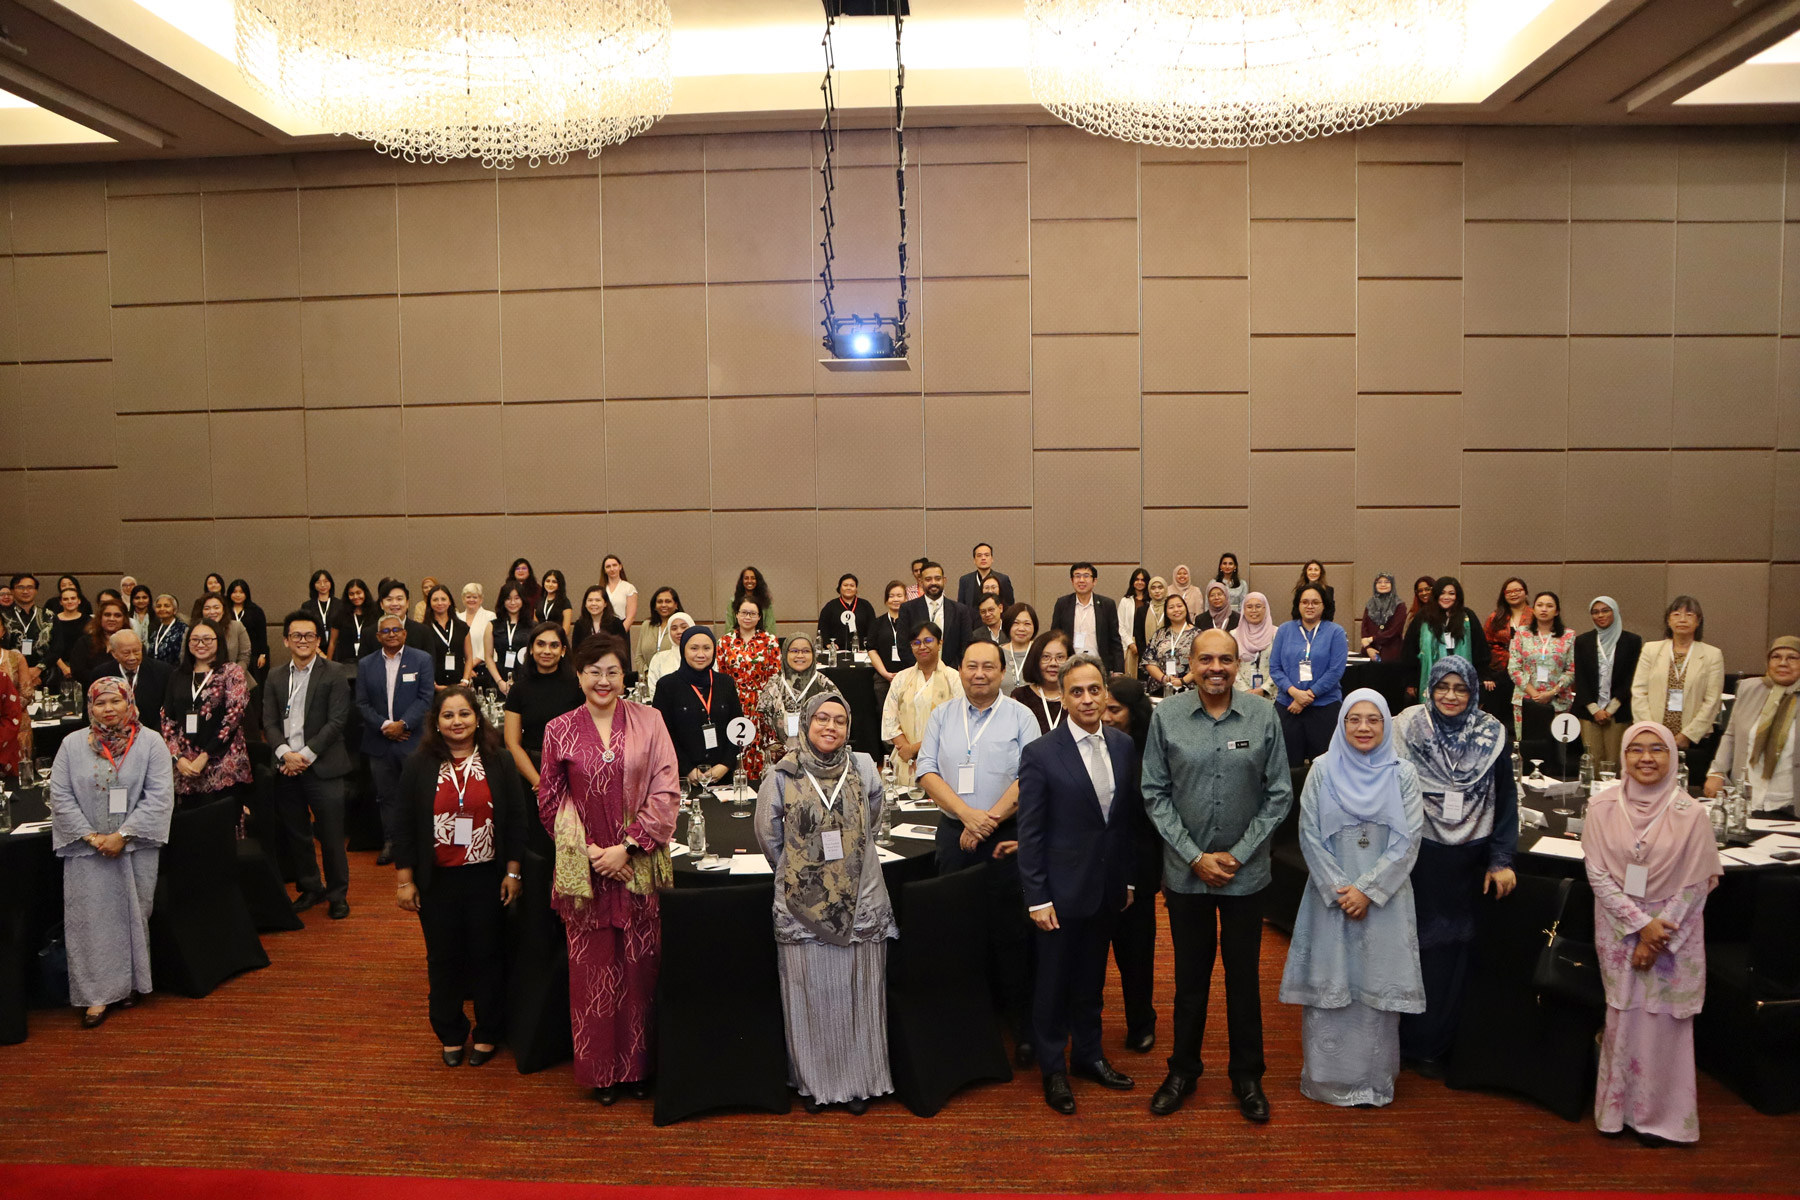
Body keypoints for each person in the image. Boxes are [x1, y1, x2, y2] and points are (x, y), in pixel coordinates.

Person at [1141, 629, 1292, 1122]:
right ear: (1191, 662)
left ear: (1238, 662)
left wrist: (1239, 853)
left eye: (1225, 659)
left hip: (1246, 879)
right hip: (1186, 878)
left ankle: (1247, 1076)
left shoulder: (1263, 715)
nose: (1215, 668)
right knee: (1189, 979)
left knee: (1245, 980)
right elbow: (1154, 794)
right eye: (1205, 659)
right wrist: (1194, 856)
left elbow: (1279, 795)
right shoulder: (1166, 716)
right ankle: (1183, 1069)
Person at [537, 632, 680, 1103]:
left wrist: (629, 847)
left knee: (641, 969)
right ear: (578, 675)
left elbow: (666, 791)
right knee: (593, 970)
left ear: (625, 675)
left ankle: (640, 1069)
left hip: (638, 869)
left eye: (612, 671)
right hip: (587, 874)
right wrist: (597, 854)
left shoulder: (651, 720)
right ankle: (601, 1072)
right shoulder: (558, 729)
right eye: (593, 671)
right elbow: (550, 800)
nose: (603, 680)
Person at [1279, 691, 1425, 1108]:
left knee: (1375, 989)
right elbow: (1307, 834)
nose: (1363, 728)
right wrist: (1343, 890)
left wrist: (1369, 891)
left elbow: (1409, 839)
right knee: (1332, 985)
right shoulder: (1322, 771)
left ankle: (1374, 1083)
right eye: (1354, 719)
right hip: (1331, 901)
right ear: (1341, 724)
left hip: (1385, 902)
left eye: (1374, 720)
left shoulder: (1404, 775)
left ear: (1385, 726)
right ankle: (1325, 1081)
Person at [755, 693, 896, 1114]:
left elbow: (874, 812)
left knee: (860, 990)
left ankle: (859, 1084)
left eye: (839, 719)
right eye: (821, 718)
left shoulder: (865, 766)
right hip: (803, 905)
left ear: (849, 727)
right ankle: (814, 1084)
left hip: (862, 899)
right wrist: (804, 873)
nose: (830, 726)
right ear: (807, 723)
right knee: (809, 993)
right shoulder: (781, 772)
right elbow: (767, 834)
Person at [1584, 721, 1720, 1146]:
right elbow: (1597, 875)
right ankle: (1617, 1114)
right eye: (1636, 749)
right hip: (1619, 929)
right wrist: (1641, 927)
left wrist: (1656, 937)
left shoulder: (1691, 813)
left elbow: (1697, 883)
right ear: (1622, 756)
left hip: (1674, 935)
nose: (1646, 758)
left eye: (1657, 749)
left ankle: (1661, 1118)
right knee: (1623, 1016)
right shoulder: (1602, 807)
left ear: (1673, 757)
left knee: (1664, 1023)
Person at [1018, 652, 1142, 1114]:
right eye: (1077, 691)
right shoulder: (1040, 753)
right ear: (1064, 697)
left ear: (1105, 694)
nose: (1088, 699)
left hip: (1107, 888)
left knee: (1092, 981)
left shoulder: (1123, 745)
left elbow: (1122, 823)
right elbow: (1030, 833)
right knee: (1053, 985)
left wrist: (1127, 879)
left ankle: (1089, 1056)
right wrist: (1037, 898)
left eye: (1095, 690)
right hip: (1059, 893)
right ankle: (1053, 1068)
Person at [915, 638, 1040, 1061]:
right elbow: (926, 770)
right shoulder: (941, 716)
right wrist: (967, 815)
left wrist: (986, 820)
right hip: (955, 833)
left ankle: (1021, 1023)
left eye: (989, 666)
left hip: (1006, 836)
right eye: (972, 666)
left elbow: (1031, 776)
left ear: (1003, 672)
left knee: (1011, 931)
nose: (980, 673)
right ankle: (966, 1022)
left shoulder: (1022, 716)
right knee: (958, 927)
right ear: (960, 670)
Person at [1392, 656, 1518, 1074]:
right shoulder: (1408, 727)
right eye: (1442, 687)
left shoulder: (1491, 734)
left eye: (1460, 688)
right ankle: (1405, 1040)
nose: (1450, 696)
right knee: (1414, 947)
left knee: (1453, 953)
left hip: (1470, 856)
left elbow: (1505, 803)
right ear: (1429, 688)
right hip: (1419, 853)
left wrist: (1501, 859)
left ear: (1473, 692)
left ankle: (1436, 1044)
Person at [393, 685, 528, 1067]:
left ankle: (488, 1031)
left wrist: (514, 871)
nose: (457, 722)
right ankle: (450, 1031)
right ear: (436, 722)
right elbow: (402, 825)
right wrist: (405, 881)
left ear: (477, 718)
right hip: (437, 879)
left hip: (487, 875)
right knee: (444, 958)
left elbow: (516, 820)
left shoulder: (499, 760)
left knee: (488, 955)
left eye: (464, 714)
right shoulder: (418, 765)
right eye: (448, 715)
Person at [48, 677, 175, 1028]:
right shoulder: (73, 744)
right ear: (91, 707)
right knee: (91, 923)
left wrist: (122, 835)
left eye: (115, 702)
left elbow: (160, 797)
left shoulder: (151, 743)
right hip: (86, 852)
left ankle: (131, 984)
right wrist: (92, 837)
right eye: (100, 703)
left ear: (128, 702)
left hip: (135, 847)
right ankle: (96, 997)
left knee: (133, 916)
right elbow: (59, 796)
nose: (108, 709)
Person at [263, 611, 354, 920]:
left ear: (319, 640)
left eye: (310, 636)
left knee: (331, 835)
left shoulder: (335, 672)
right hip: (286, 766)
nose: (303, 641)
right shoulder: (275, 676)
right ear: (286, 640)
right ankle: (311, 887)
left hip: (322, 765)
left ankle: (338, 893)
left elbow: (338, 721)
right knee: (297, 833)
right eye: (297, 636)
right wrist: (285, 753)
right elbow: (270, 722)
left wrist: (304, 756)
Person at [355, 614, 437, 865]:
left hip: (412, 740)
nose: (391, 634)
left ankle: (420, 842)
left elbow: (425, 698)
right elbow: (361, 702)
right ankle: (392, 842)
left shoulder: (421, 659)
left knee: (419, 794)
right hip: (379, 742)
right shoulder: (366, 664)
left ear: (404, 633)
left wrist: (403, 724)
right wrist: (385, 726)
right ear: (378, 636)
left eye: (396, 630)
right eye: (385, 631)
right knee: (386, 796)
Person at [160, 617, 253, 811]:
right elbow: (167, 719)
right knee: (190, 826)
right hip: (186, 766)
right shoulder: (178, 675)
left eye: (207, 639)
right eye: (195, 640)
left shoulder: (231, 672)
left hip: (222, 762)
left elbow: (232, 719)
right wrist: (177, 758)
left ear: (218, 641)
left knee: (221, 827)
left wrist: (205, 756)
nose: (200, 644)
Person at [1704, 635, 1800, 816]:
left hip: (1790, 803)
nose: (1783, 663)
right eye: (1776, 657)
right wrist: (1717, 772)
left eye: (1792, 658)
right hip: (1747, 799)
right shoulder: (1749, 688)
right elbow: (1731, 735)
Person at [503, 622, 583, 812]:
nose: (547, 650)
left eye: (554, 645)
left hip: (571, 771)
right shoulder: (518, 689)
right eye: (540, 644)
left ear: (563, 651)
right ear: (531, 649)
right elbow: (511, 743)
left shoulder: (577, 686)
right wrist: (539, 783)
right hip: (531, 772)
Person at [1630, 597, 1725, 756]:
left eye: (1689, 615)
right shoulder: (1651, 650)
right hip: (1652, 736)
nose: (1682, 619)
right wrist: (1653, 731)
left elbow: (1712, 700)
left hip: (1694, 739)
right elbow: (1639, 691)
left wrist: (1687, 735)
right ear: (1668, 620)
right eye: (1676, 614)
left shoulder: (1712, 655)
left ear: (1698, 621)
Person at [652, 625, 742, 790]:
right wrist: (687, 769)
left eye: (707, 648)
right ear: (683, 650)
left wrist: (725, 764)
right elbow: (663, 735)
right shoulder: (667, 686)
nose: (701, 654)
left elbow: (738, 727)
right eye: (694, 648)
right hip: (682, 780)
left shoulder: (725, 683)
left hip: (723, 780)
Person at [1271, 585, 1348, 767]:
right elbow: (1275, 668)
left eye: (1315, 602)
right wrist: (1295, 693)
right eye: (1305, 602)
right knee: (1288, 765)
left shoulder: (1335, 632)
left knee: (1324, 765)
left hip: (1324, 706)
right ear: (1298, 605)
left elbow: (1335, 671)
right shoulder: (1284, 630)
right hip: (1288, 705)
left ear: (1324, 606)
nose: (1310, 606)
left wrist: (1307, 696)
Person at [881, 621, 964, 788]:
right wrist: (906, 749)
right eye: (916, 643)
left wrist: (916, 748)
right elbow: (889, 718)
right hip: (905, 758)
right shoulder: (901, 678)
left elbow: (959, 723)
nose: (922, 647)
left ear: (940, 643)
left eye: (928, 641)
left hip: (942, 757)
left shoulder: (954, 678)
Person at [718, 597, 782, 783]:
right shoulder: (724, 642)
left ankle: (762, 787)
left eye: (752, 613)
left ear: (759, 617)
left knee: (761, 746)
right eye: (744, 613)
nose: (748, 617)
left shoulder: (770, 641)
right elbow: (720, 674)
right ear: (736, 615)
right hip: (732, 701)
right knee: (736, 744)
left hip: (761, 701)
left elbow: (775, 675)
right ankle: (736, 786)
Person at [1574, 596, 1641, 768]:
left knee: (1615, 762)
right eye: (1595, 612)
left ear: (1615, 612)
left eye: (1605, 610)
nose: (1600, 615)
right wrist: (1595, 710)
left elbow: (1632, 678)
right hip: (1589, 711)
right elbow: (1580, 678)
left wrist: (1610, 709)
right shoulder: (1583, 641)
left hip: (1618, 711)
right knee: (1592, 761)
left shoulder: (1632, 641)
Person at [1508, 591, 1576, 762]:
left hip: (1557, 701)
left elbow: (1572, 669)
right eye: (1540, 605)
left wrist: (1552, 692)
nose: (1544, 609)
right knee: (1527, 750)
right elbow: (1514, 667)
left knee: (1555, 753)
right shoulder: (1522, 633)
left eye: (1549, 606)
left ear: (1557, 611)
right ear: (1533, 609)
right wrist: (1534, 693)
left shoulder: (1568, 636)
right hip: (1525, 700)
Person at [1402, 577, 1491, 703]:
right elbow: (1409, 650)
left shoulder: (1468, 616)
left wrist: (1484, 675)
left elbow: (1480, 648)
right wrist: (1410, 681)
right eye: (1442, 593)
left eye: (1451, 593)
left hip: (1461, 675)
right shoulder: (1423, 617)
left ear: (1457, 596)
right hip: (1430, 674)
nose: (1446, 597)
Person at [758, 634, 840, 766]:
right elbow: (763, 727)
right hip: (779, 763)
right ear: (785, 654)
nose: (800, 656)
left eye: (806, 651)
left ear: (813, 654)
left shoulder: (825, 685)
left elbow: (839, 723)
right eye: (794, 651)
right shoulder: (773, 685)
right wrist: (787, 757)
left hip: (820, 761)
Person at [1051, 563, 1123, 675]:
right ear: (1072, 580)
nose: (1081, 580)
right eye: (1077, 576)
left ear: (1094, 581)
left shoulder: (1107, 604)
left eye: (1086, 576)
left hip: (1099, 665)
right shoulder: (1062, 603)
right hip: (1069, 665)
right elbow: (1055, 635)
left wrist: (1118, 670)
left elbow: (1115, 640)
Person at [898, 561, 972, 668]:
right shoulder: (908, 609)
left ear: (944, 580)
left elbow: (966, 645)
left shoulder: (960, 610)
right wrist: (920, 668)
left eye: (937, 578)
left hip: (951, 673)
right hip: (918, 672)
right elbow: (903, 645)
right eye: (928, 579)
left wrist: (951, 671)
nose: (933, 582)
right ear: (921, 582)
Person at [97, 630, 170, 738]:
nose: (132, 657)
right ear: (114, 653)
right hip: (112, 738)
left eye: (136, 652)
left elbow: (168, 710)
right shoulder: (101, 674)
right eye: (126, 653)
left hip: (153, 736)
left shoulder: (162, 671)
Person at [1481, 577, 1532, 726]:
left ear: (1526, 593)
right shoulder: (1495, 616)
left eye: (1518, 590)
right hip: (1500, 671)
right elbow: (1485, 645)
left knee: (1523, 716)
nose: (1513, 594)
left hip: (1527, 672)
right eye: (1509, 591)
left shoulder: (1535, 616)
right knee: (1499, 715)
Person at [1013, 629, 1072, 734]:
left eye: (1060, 657)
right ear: (1036, 660)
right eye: (1046, 657)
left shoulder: (1076, 696)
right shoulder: (1020, 697)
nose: (1053, 663)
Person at [1144, 593, 1197, 698]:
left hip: (1189, 690)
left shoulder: (1198, 635)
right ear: (1166, 612)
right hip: (1160, 688)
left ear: (1186, 609)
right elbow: (1148, 661)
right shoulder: (1159, 634)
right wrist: (1164, 678)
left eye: (1179, 606)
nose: (1176, 610)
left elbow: (1202, 663)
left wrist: (1182, 681)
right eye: (1171, 607)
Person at [4, 573, 52, 687]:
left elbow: (57, 647)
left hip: (45, 675)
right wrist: (21, 673)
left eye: (30, 587)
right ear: (12, 591)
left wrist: (38, 669)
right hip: (9, 676)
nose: (25, 591)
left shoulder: (48, 616)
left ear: (36, 591)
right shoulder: (3, 616)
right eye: (20, 587)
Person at [421, 584, 473, 688]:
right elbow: (421, 661)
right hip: (435, 686)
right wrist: (433, 684)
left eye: (443, 599)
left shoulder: (462, 627)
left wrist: (465, 681)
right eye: (435, 600)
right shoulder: (423, 629)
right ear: (429, 603)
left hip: (459, 685)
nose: (440, 603)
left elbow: (469, 657)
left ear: (450, 602)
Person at [867, 581, 910, 704]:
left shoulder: (913, 622)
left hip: (909, 676)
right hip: (883, 678)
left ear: (906, 598)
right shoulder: (877, 623)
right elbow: (872, 649)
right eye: (891, 596)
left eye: (899, 596)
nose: (895, 599)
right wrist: (885, 674)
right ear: (886, 600)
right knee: (884, 714)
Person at [69, 595, 128, 685]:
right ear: (100, 618)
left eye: (117, 615)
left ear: (124, 619)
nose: (112, 619)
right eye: (107, 615)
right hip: (92, 691)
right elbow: (78, 672)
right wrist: (104, 683)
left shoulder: (132, 643)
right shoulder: (84, 642)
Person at [488, 582, 532, 692]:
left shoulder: (533, 626)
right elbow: (488, 657)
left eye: (517, 598)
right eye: (508, 598)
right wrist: (500, 682)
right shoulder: (492, 625)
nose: (512, 602)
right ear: (503, 601)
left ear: (523, 600)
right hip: (500, 678)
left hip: (525, 678)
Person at [1232, 592, 1277, 700]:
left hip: (1270, 696)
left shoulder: (1277, 634)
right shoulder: (1233, 635)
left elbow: (1281, 666)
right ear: (1243, 610)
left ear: (1265, 609)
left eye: (1258, 606)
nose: (1254, 610)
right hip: (1240, 696)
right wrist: (1244, 690)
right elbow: (1230, 665)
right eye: (1249, 607)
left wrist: (1264, 689)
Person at [632, 587, 684, 677]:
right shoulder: (646, 625)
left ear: (676, 605)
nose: (663, 605)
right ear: (654, 606)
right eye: (660, 602)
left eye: (668, 601)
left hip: (673, 680)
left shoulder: (682, 627)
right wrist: (648, 674)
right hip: (648, 680)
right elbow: (639, 657)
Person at [225, 579, 269, 682]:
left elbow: (262, 634)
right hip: (230, 653)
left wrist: (262, 654)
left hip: (252, 653)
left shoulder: (256, 610)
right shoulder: (225, 610)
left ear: (246, 594)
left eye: (241, 592)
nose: (238, 595)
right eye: (235, 592)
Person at [1359, 573, 1407, 664]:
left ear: (1392, 585)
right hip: (1369, 652)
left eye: (1387, 582)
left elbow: (1395, 630)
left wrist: (1373, 639)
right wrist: (1368, 648)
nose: (1383, 585)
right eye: (1379, 582)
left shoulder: (1399, 605)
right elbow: (1364, 626)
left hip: (1391, 652)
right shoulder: (1370, 603)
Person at [45, 584, 88, 685]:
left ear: (79, 600)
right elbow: (49, 646)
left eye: (73, 598)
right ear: (61, 602)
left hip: (84, 667)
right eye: (65, 599)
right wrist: (63, 667)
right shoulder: (51, 622)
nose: (70, 601)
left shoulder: (89, 621)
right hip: (58, 668)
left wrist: (77, 668)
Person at [199, 594, 252, 671]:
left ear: (223, 610)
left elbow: (244, 656)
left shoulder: (237, 627)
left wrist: (235, 673)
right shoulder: (194, 630)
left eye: (216, 608)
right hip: (203, 677)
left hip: (234, 677)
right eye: (207, 608)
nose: (212, 612)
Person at [643, 612, 693, 693]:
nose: (679, 631)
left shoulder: (703, 657)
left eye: (684, 627)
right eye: (674, 628)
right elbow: (653, 690)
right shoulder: (659, 658)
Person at [956, 542, 1015, 609]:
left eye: (987, 555)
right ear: (974, 560)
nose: (983, 558)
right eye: (979, 555)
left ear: (992, 559)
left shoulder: (1003, 579)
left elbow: (1010, 606)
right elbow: (960, 607)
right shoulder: (965, 580)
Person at [460, 583, 497, 688]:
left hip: (483, 668)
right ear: (463, 599)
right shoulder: (458, 618)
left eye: (475, 597)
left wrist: (470, 664)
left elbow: (489, 644)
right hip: (462, 669)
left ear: (481, 599)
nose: (471, 600)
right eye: (468, 597)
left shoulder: (490, 616)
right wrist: (466, 668)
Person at [999, 602, 1040, 696]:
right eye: (1016, 623)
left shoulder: (1042, 653)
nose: (1021, 628)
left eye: (1027, 624)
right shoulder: (997, 653)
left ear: (1034, 626)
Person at [1119, 569, 1153, 677]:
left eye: (1143, 580)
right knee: (1131, 676)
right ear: (1132, 581)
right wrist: (1131, 643)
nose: (1140, 582)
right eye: (1137, 579)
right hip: (1131, 643)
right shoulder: (1125, 601)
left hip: (1148, 643)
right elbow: (1120, 625)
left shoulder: (1152, 601)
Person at [732, 565, 777, 634]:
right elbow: (729, 626)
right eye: (746, 578)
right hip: (738, 641)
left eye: (753, 578)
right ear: (742, 581)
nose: (749, 581)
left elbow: (770, 626)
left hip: (762, 641)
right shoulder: (733, 600)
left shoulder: (765, 600)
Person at [145, 593, 186, 668]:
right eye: (158, 606)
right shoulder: (153, 627)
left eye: (166, 606)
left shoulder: (183, 629)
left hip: (174, 672)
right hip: (155, 671)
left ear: (174, 610)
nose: (162, 609)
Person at [600, 554, 637, 629]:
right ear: (604, 570)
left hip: (621, 628)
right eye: (608, 566)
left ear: (620, 567)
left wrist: (621, 633)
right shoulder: (599, 588)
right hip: (601, 628)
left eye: (614, 565)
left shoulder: (629, 588)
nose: (612, 569)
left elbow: (631, 617)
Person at [302, 570, 337, 646]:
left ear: (331, 583)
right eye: (318, 582)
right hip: (315, 646)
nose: (322, 585)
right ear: (313, 585)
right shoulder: (307, 606)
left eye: (326, 581)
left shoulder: (339, 604)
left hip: (337, 648)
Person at [537, 569, 573, 634]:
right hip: (540, 637)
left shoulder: (565, 602)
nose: (550, 584)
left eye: (554, 582)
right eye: (547, 581)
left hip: (557, 638)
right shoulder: (539, 601)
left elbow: (566, 629)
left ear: (559, 584)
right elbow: (535, 624)